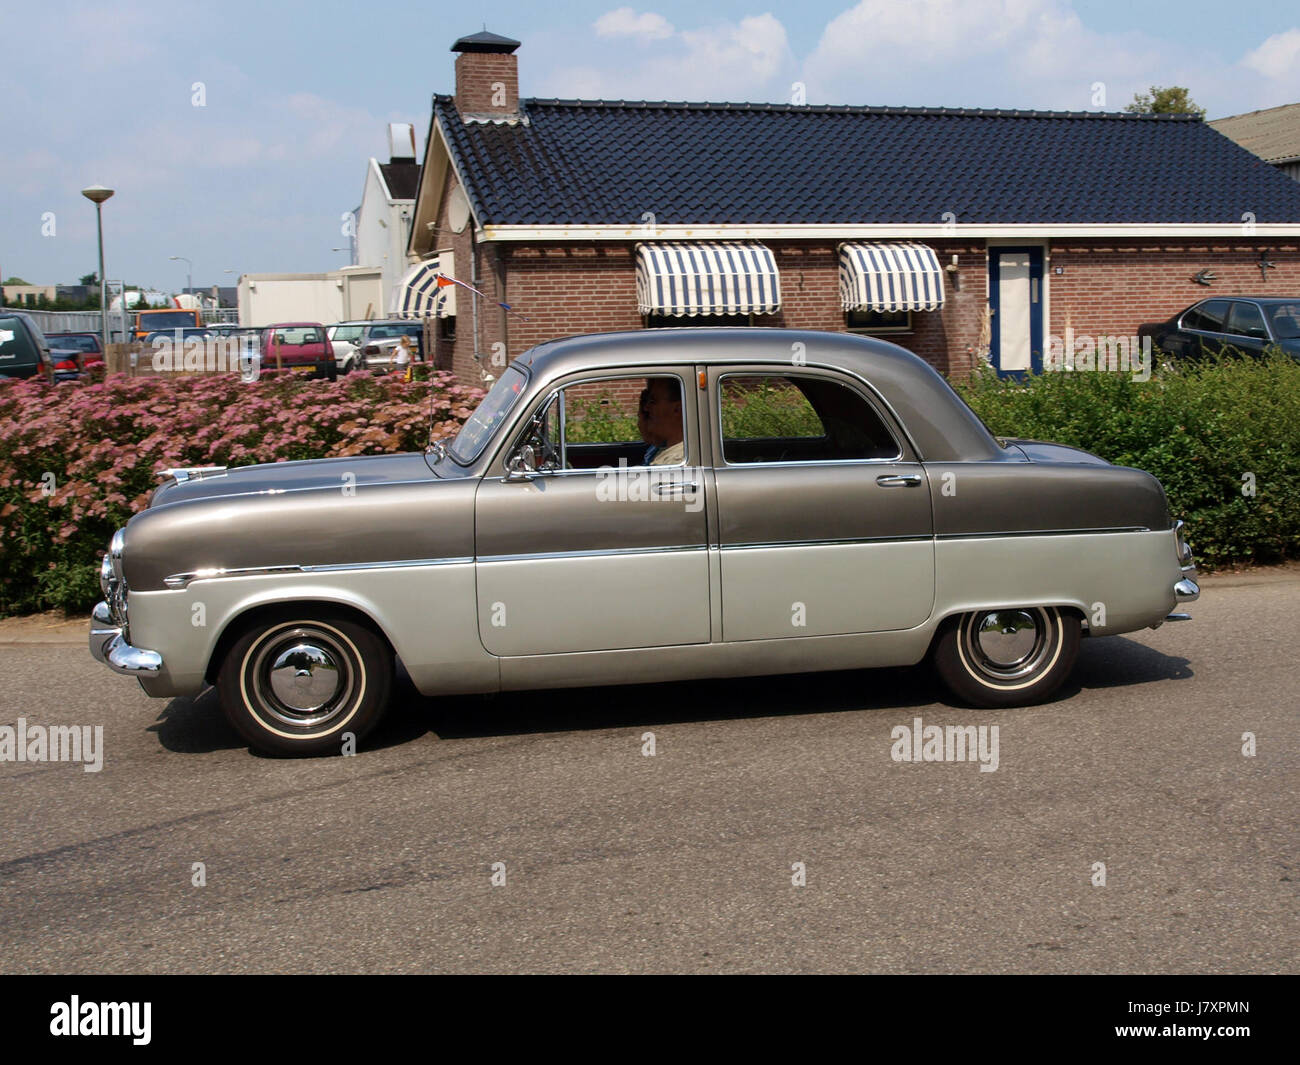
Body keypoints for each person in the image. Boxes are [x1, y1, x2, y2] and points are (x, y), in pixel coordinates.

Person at [641, 376, 685, 465]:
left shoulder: (677, 461)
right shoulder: (665, 450)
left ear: (677, 409)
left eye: (653, 401)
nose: (646, 408)